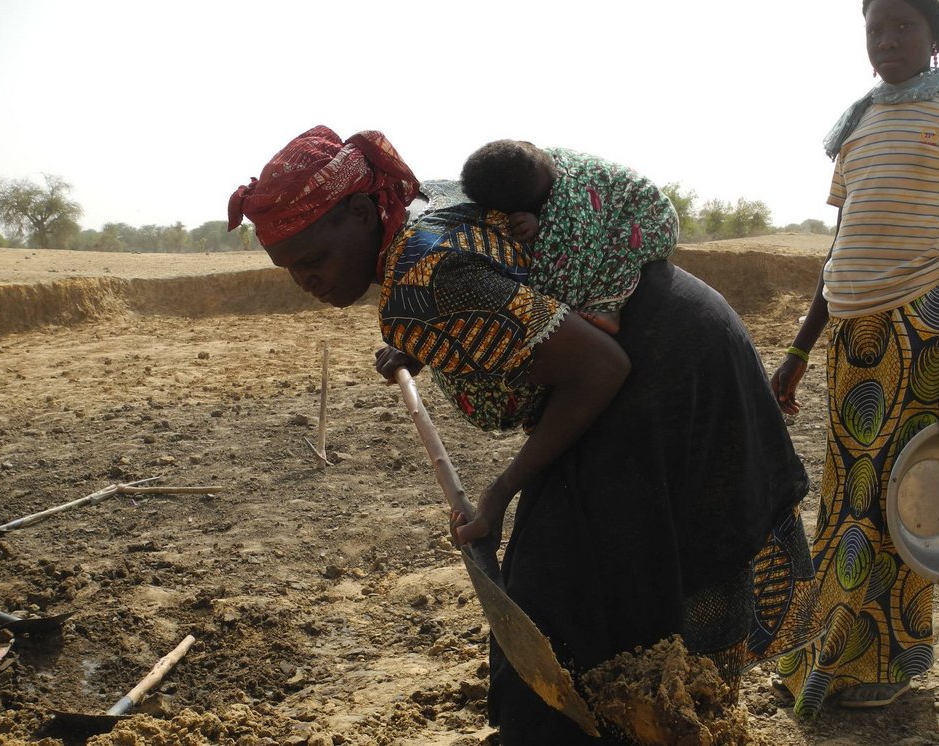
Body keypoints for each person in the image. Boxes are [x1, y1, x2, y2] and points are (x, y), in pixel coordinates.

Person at [228, 126, 819, 743]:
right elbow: (502, 291)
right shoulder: (417, 209)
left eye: (313, 260)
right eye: (291, 269)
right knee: (587, 583)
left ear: (358, 208)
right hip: (679, 335)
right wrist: (430, 342)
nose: (307, 281)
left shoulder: (421, 279)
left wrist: (501, 491)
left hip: (660, 373)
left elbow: (599, 368)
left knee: (566, 593)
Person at [768, 0, 939, 715]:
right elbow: (839, 250)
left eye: (904, 24)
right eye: (876, 27)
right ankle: (821, 654)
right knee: (846, 494)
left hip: (920, 329)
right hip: (852, 335)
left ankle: (881, 661)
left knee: (896, 499)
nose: (888, 38)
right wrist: (801, 349)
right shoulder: (858, 124)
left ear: (936, 36)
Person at [459, 139, 678, 336]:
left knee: (621, 251)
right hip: (615, 211)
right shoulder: (539, 164)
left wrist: (542, 226)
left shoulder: (572, 212)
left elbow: (570, 276)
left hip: (653, 218)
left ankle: (608, 309)